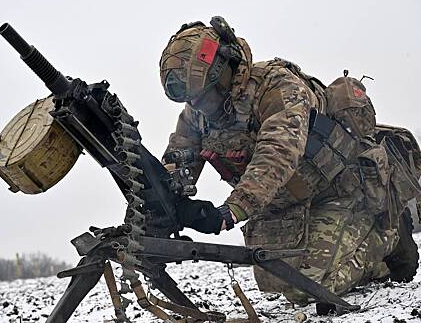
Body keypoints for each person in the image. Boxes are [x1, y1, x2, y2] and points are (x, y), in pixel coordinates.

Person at [158, 16, 421, 303]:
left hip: (337, 193)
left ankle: (389, 236)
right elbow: (179, 155)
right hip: (283, 203)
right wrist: (163, 205)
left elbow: (278, 152)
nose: (197, 106)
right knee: (275, 280)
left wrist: (232, 210)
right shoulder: (199, 111)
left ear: (224, 73)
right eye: (191, 100)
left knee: (306, 287)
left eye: (202, 97)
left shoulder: (278, 87)